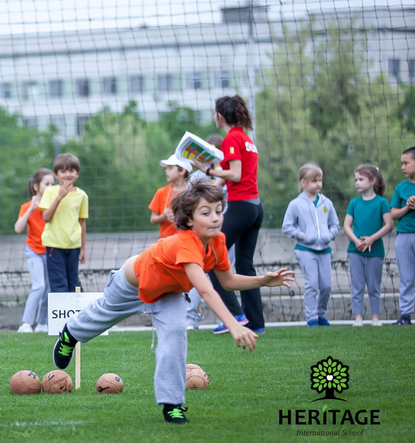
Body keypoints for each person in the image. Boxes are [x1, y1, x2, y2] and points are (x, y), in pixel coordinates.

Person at [51, 181, 293, 424]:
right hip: (132, 284)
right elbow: (206, 290)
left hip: (170, 293)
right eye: (206, 213)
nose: (215, 218)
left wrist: (262, 280)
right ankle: (69, 336)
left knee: (176, 334)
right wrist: (234, 325)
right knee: (102, 316)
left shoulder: (217, 241)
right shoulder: (186, 242)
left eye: (219, 211)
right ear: (188, 220)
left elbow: (227, 281)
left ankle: (172, 405)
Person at [190, 95, 264, 334]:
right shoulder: (245, 138)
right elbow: (234, 176)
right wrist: (212, 183)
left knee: (211, 259)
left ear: (220, 116)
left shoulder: (232, 138)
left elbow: (236, 173)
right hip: (255, 207)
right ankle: (256, 323)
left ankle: (234, 315)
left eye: (215, 113)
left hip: (242, 206)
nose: (214, 117)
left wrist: (207, 169)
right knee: (245, 265)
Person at [281, 163, 340, 327]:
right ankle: (311, 318)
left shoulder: (326, 203)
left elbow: (335, 224)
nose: (318, 184)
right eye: (314, 181)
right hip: (305, 250)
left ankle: (321, 315)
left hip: (325, 250)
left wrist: (329, 235)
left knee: (326, 286)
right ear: (303, 182)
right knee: (312, 284)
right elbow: (287, 226)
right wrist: (303, 235)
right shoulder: (295, 204)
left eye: (320, 180)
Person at [344, 164, 394, 327]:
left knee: (374, 285)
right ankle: (358, 318)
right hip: (355, 251)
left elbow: (389, 224)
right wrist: (357, 241)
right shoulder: (354, 203)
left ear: (372, 181)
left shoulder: (382, 202)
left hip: (375, 251)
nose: (357, 183)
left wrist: (371, 239)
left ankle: (375, 318)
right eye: (356, 180)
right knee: (357, 285)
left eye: (361, 179)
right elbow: (346, 226)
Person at [186, 135, 227, 329]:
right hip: (201, 238)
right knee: (195, 274)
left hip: (222, 234)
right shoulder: (195, 178)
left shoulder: (226, 175)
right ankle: (190, 317)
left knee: (223, 274)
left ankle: (225, 319)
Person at [39, 154, 89, 293]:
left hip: (74, 246)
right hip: (55, 245)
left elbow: (82, 222)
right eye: (63, 171)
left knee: (73, 283)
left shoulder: (82, 195)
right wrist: (60, 196)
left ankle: (73, 313)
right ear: (56, 175)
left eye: (71, 170)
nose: (67, 174)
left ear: (77, 173)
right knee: (58, 284)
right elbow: (46, 217)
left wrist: (83, 248)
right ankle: (60, 314)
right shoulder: (50, 192)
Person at [15, 168, 55, 333]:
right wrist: (31, 208)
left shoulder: (53, 206)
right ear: (36, 187)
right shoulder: (26, 207)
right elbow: (18, 228)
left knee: (49, 289)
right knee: (38, 286)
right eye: (47, 184)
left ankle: (42, 323)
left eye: (53, 183)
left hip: (51, 252)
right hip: (33, 251)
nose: (51, 187)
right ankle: (25, 323)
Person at [390, 146, 415, 325]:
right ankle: (405, 315)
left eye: (406, 163)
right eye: (401, 164)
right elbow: (393, 214)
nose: (402, 167)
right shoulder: (400, 188)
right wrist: (407, 206)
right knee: (406, 278)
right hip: (404, 237)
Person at [149, 155, 192, 239]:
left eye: (170, 168)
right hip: (166, 242)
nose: (166, 171)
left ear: (182, 171)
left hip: (188, 240)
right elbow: (153, 219)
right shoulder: (161, 192)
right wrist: (164, 216)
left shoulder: (193, 192)